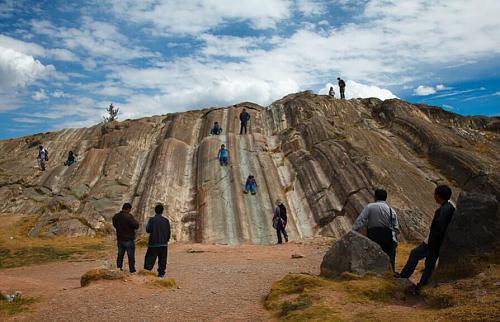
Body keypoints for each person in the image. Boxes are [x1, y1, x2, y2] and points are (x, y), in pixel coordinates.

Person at [396, 185, 455, 289]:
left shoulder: (443, 210)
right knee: (430, 264)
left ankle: (404, 276)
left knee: (415, 254)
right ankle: (422, 285)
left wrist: (432, 241)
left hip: (433, 242)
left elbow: (439, 227)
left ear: (437, 196)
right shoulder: (450, 208)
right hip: (439, 243)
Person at [352, 189, 400, 271]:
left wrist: (353, 231)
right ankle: (391, 273)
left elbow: (360, 220)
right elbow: (396, 228)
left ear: (375, 197)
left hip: (373, 236)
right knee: (390, 255)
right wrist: (395, 240)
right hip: (387, 237)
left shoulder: (370, 207)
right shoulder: (391, 210)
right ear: (385, 198)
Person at [144, 203, 171, 279]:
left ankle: (146, 273)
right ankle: (161, 275)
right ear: (162, 211)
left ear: (155, 211)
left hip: (153, 243)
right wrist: (167, 240)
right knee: (162, 260)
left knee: (149, 258)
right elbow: (169, 232)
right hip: (163, 244)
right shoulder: (166, 221)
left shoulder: (151, 220)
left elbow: (148, 230)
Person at [112, 203, 139, 273]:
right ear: (128, 209)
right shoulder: (128, 216)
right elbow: (136, 225)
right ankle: (132, 270)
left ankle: (119, 268)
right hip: (129, 239)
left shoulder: (116, 216)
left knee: (120, 255)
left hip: (120, 239)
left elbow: (114, 225)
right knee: (130, 256)